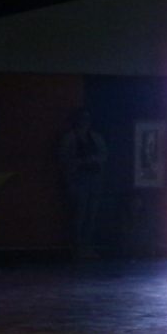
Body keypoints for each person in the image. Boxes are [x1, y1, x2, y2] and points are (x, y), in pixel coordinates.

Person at [58, 107, 108, 259]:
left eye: (87, 118)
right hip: (78, 180)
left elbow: (104, 156)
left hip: (94, 180)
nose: (85, 121)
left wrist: (94, 160)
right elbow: (63, 159)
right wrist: (81, 162)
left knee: (91, 215)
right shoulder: (69, 139)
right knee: (79, 214)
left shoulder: (96, 138)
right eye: (82, 118)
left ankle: (87, 246)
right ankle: (77, 247)